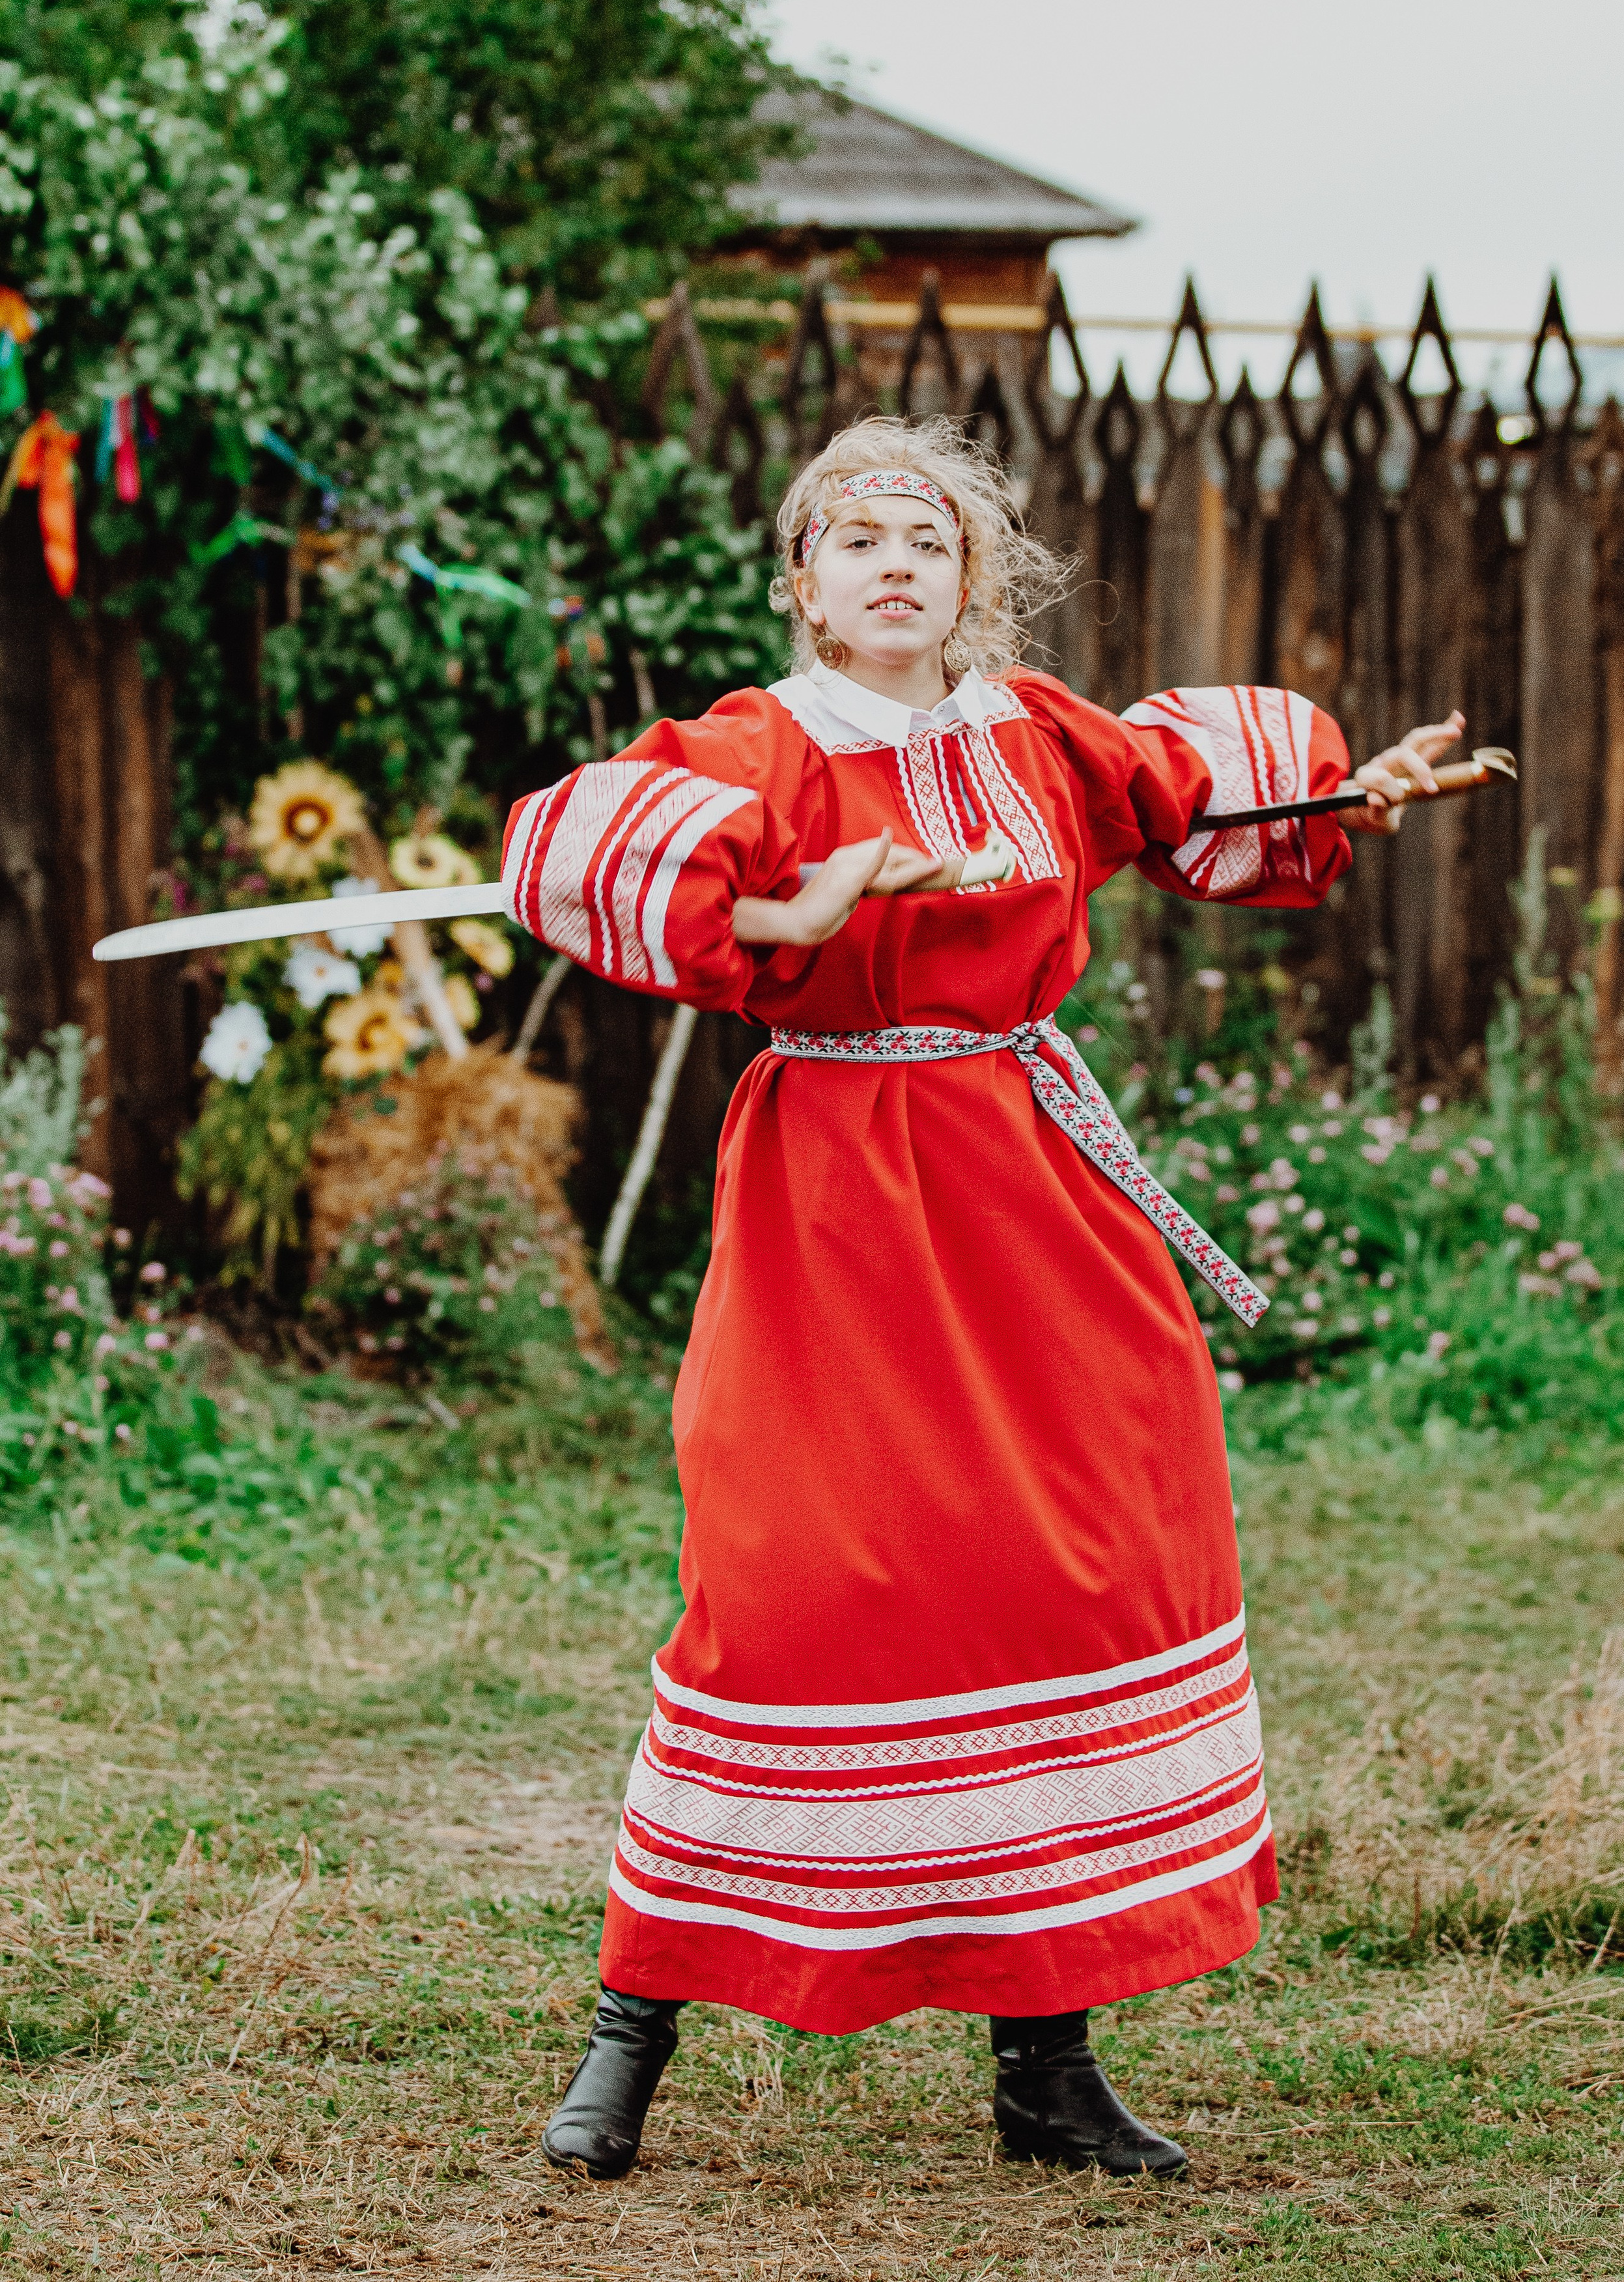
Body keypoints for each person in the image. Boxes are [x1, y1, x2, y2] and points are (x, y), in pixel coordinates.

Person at [503, 417, 1464, 2182]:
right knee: (787, 1590)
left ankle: (1048, 2069)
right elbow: (594, 861)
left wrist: (1353, 791)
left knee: (1063, 1578)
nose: (892, 567)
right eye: (855, 541)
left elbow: (1199, 808)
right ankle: (632, 2031)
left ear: (973, 584)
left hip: (1033, 1191)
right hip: (839, 1197)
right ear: (802, 582)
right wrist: (806, 891)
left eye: (926, 545)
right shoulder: (761, 745)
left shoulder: (1029, 733)